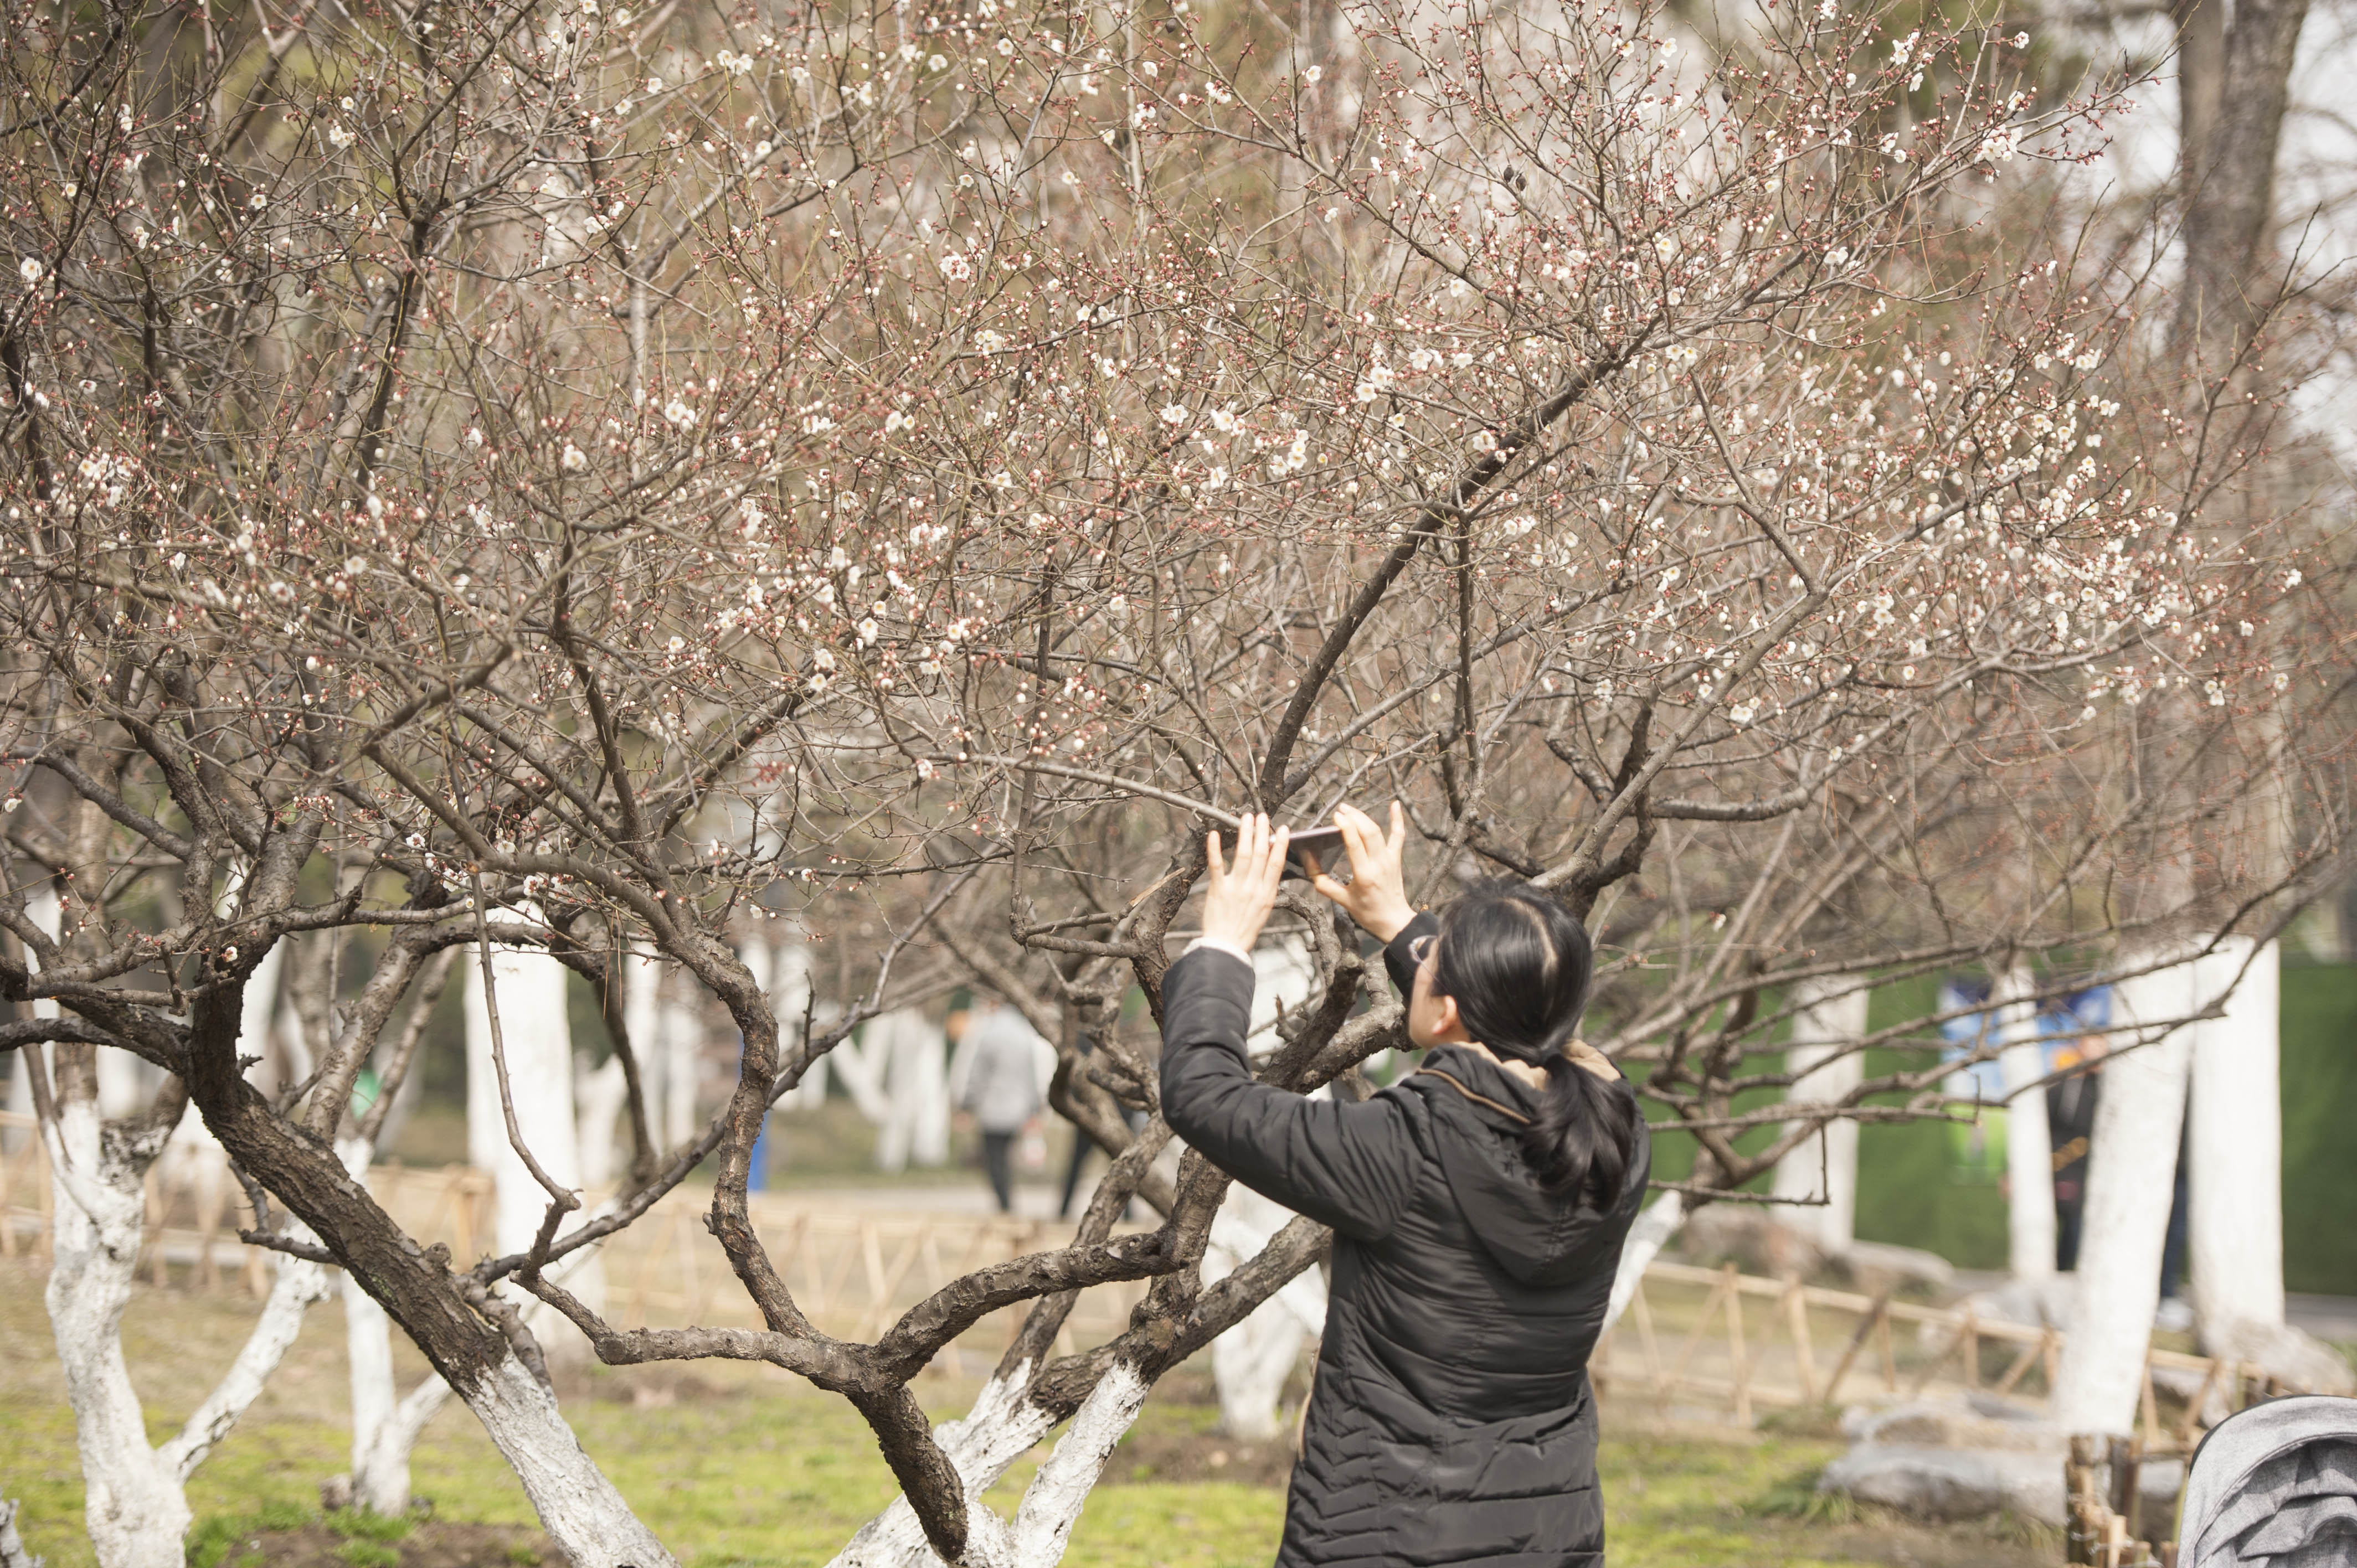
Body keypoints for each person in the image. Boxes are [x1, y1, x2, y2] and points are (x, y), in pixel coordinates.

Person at [1159, 804, 1649, 1568]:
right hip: (1546, 1532)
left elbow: (1206, 1097)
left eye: (1432, 963)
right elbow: (1533, 1027)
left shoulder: (1404, 1147)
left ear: (1448, 1006)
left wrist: (1223, 942)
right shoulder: (1616, 1133)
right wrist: (1401, 925)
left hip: (1385, 1532)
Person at [949, 996, 1047, 1213]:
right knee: (1006, 1157)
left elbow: (978, 1074)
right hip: (1018, 1108)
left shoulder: (988, 1033)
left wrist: (967, 1105)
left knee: (994, 1158)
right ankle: (1007, 1201)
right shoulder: (1024, 1033)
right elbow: (1032, 1074)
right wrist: (1034, 1109)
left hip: (992, 1108)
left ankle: (1004, 1203)